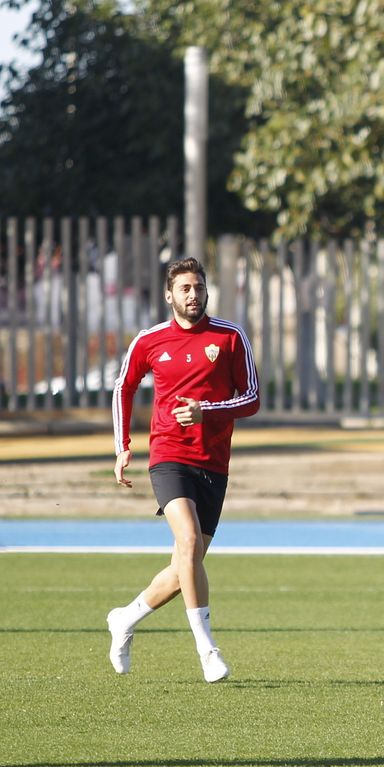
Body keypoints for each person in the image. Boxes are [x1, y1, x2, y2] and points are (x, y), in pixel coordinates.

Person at [108, 258, 260, 682]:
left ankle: (125, 618)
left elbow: (251, 398)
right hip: (169, 456)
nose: (193, 295)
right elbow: (124, 386)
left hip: (214, 462)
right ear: (169, 295)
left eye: (199, 287)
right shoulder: (150, 340)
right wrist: (122, 447)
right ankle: (207, 650)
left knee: (185, 565)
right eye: (185, 288)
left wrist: (206, 411)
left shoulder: (229, 337)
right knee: (189, 540)